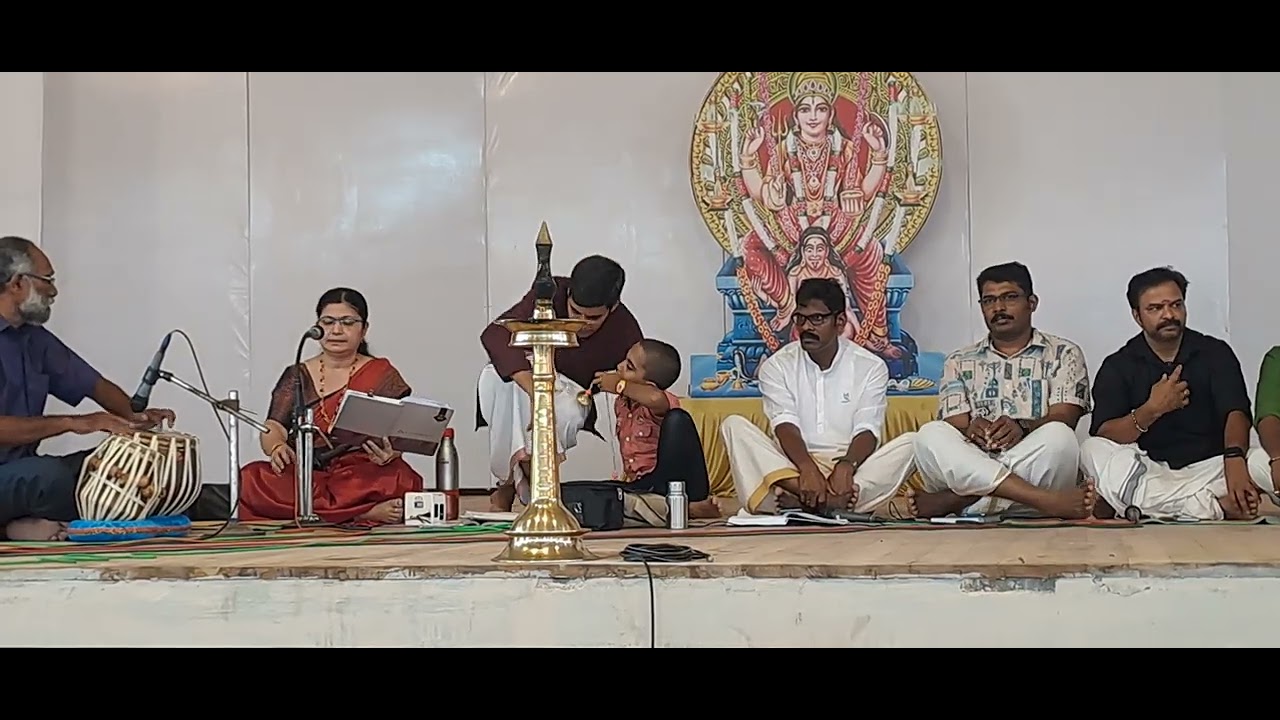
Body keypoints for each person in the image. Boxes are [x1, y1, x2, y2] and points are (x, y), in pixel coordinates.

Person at [0, 236, 176, 541]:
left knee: (119, 465)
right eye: (47, 280)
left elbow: (93, 384)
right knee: (50, 478)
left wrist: (135, 419)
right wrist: (76, 423)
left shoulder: (34, 340)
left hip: (21, 472)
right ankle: (12, 528)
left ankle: (25, 524)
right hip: (20, 476)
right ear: (17, 284)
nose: (53, 291)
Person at [1080, 267, 1272, 520]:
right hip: (1148, 470)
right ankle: (1212, 507)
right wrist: (1151, 410)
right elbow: (1105, 434)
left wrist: (1234, 459)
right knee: (1091, 450)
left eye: (1176, 305)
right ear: (1137, 316)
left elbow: (1236, 412)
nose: (1169, 315)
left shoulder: (1215, 352)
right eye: (1155, 308)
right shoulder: (1119, 365)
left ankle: (1137, 505)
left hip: (1213, 467)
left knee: (1261, 461)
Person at [911, 262, 1096, 519]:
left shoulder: (1064, 353)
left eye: (1009, 297)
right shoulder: (958, 360)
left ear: (1032, 302)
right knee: (930, 433)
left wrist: (1023, 426)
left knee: (1059, 436)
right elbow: (955, 422)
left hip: (1034, 461)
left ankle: (959, 501)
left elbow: (1066, 416)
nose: (998, 308)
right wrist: (970, 428)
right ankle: (1041, 502)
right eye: (989, 301)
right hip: (980, 459)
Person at [721, 278, 917, 515]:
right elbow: (784, 424)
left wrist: (846, 465)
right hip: (793, 466)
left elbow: (867, 429)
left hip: (847, 473)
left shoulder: (870, 366)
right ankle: (830, 504)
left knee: (915, 442)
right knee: (733, 426)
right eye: (800, 318)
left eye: (817, 319)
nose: (806, 327)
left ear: (840, 321)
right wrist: (807, 469)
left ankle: (807, 502)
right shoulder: (777, 366)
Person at [238, 287, 423, 525]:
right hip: (305, 471)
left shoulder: (382, 373)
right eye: (328, 322)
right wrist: (276, 447)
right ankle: (358, 514)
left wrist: (392, 453)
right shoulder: (298, 373)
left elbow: (399, 431)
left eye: (347, 322)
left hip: (360, 469)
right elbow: (274, 425)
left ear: (364, 329)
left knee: (399, 476)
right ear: (317, 327)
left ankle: (320, 515)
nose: (336, 330)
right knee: (251, 478)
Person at [478, 255, 643, 511]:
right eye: (575, 312)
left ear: (613, 307)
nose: (581, 323)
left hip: (574, 395)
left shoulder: (625, 328)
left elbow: (643, 376)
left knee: (554, 409)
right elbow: (495, 333)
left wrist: (617, 381)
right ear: (567, 294)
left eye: (593, 318)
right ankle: (537, 484)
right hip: (528, 381)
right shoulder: (548, 295)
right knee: (499, 382)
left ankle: (508, 486)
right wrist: (536, 391)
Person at [590, 338, 719, 519]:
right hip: (643, 485)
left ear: (649, 385)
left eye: (629, 367)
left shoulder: (658, 404)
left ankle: (682, 506)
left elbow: (655, 399)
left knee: (677, 420)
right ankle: (680, 509)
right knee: (588, 492)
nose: (619, 367)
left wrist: (620, 385)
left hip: (670, 482)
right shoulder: (622, 403)